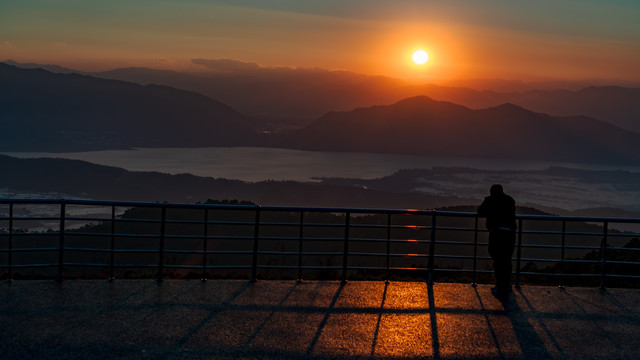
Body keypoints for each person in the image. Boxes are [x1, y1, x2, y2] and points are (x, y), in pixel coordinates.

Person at [477, 184, 517, 295]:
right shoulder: (510, 200)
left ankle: (500, 285)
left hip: (497, 234)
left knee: (498, 260)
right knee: (507, 260)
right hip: (509, 234)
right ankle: (506, 285)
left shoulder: (490, 201)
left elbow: (480, 212)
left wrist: (487, 201)